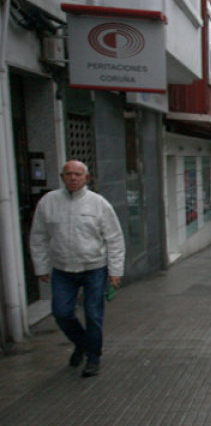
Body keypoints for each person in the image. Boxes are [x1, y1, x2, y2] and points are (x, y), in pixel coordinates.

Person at [29, 160, 125, 378]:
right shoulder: (48, 202)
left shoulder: (98, 204)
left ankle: (93, 357)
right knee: (61, 313)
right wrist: (41, 266)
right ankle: (82, 343)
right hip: (62, 270)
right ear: (62, 177)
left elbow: (115, 239)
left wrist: (115, 272)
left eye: (78, 174)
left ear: (86, 178)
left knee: (93, 315)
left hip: (94, 268)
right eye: (68, 174)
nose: (73, 178)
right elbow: (39, 237)